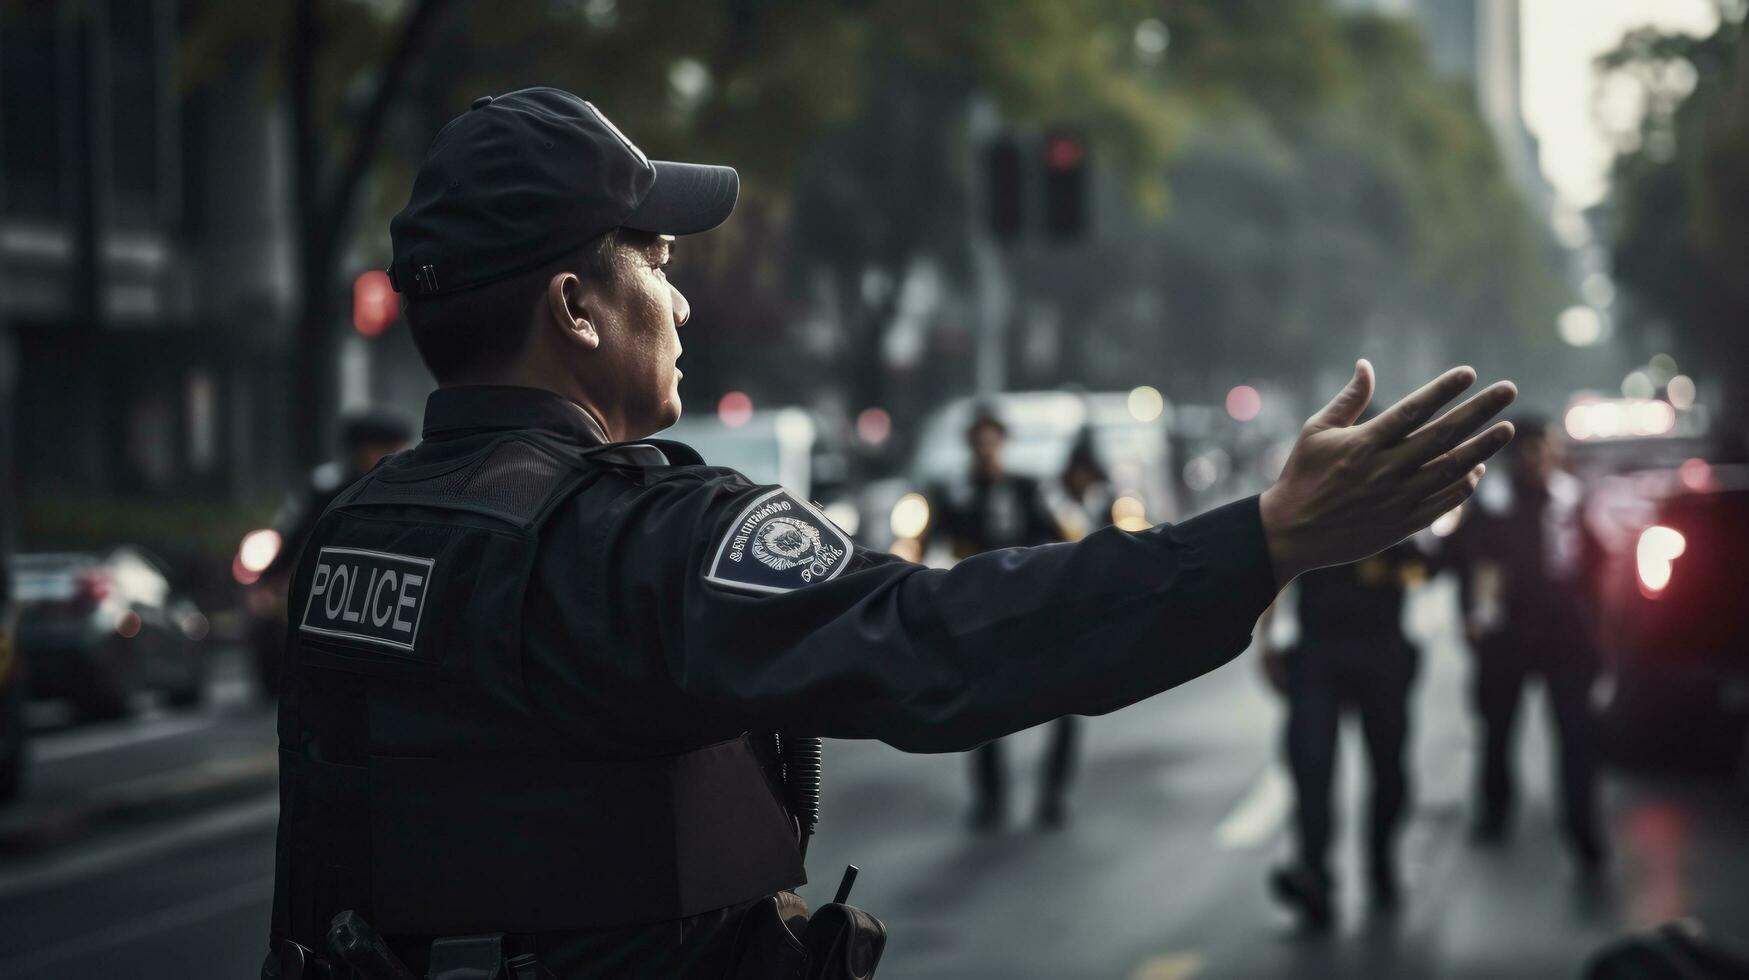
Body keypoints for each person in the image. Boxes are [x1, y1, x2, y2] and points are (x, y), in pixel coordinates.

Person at [263, 87, 1518, 979]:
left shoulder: (345, 542)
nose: (682, 289)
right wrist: (1265, 539)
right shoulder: (646, 540)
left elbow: (314, 879)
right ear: (575, 306)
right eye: (655, 254)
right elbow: (940, 637)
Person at [1448, 416, 1605, 867]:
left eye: (1542, 448)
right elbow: (1468, 565)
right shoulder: (1490, 504)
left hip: (1565, 640)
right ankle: (1494, 812)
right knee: (1497, 732)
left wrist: (1597, 634)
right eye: (1527, 450)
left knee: (1576, 737)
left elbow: (1597, 570)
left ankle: (1583, 828)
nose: (1536, 458)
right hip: (1505, 640)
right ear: (1514, 457)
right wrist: (1473, 623)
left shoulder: (1572, 500)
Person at [1260, 537, 1428, 929]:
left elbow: (1426, 568)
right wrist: (1266, 641)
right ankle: (1314, 876)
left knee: (1388, 769)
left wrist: (1397, 566)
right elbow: (1277, 567)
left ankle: (1381, 863)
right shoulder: (1317, 496)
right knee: (1311, 762)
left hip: (1381, 650)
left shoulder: (1393, 501)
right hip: (1318, 652)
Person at [924, 411, 1080, 830]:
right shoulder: (955, 495)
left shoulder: (1028, 489)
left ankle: (1052, 794)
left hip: (1032, 611)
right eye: (978, 443)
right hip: (982, 617)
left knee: (1066, 701)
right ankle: (990, 800)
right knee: (981, 710)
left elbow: (1064, 535)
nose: (986, 451)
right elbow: (930, 547)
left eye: (992, 442)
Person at [248, 408, 414, 695]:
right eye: (384, 448)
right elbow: (297, 535)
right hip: (335, 586)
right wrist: (269, 579)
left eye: (397, 447)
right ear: (359, 450)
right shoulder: (329, 490)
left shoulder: (409, 487)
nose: (394, 455)